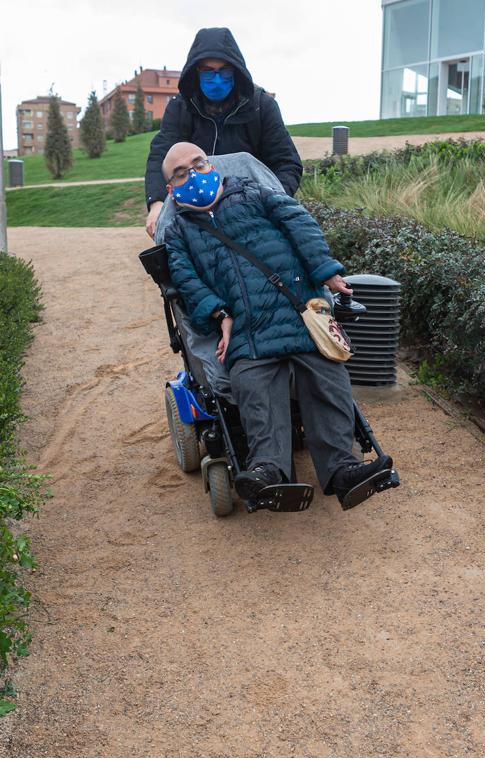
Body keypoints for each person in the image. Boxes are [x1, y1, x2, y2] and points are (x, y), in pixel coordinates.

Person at [163, 142, 393, 509]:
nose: (193, 174)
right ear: (171, 189)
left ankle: (343, 469)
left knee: (327, 377)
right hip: (248, 332)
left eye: (198, 163)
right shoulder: (178, 232)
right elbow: (187, 281)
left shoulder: (253, 192)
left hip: (298, 315)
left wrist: (327, 271)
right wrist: (220, 316)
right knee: (253, 385)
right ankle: (269, 469)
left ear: (211, 165)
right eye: (180, 173)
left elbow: (300, 223)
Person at [145, 27, 303, 239]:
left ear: (236, 71)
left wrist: (269, 202)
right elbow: (161, 155)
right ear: (196, 72)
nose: (217, 79)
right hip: (195, 215)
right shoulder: (179, 108)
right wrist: (156, 204)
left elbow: (286, 163)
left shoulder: (262, 106)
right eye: (208, 71)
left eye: (225, 71)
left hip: (252, 213)